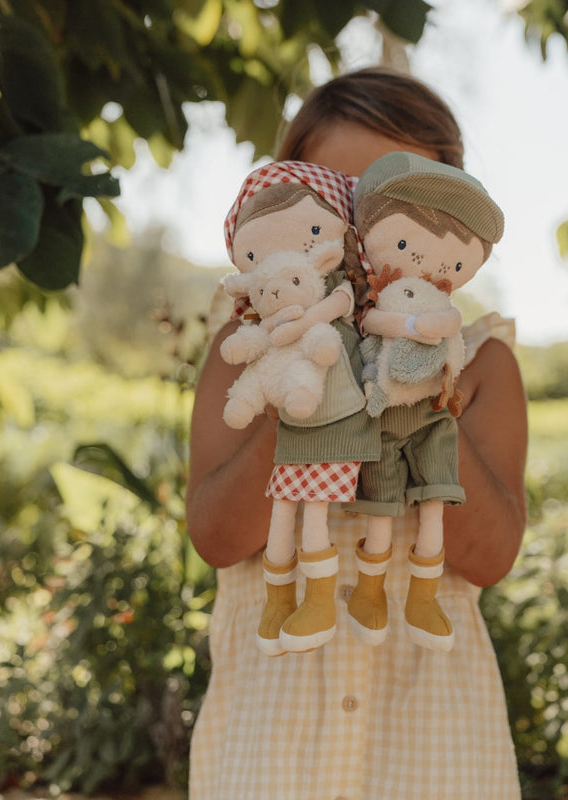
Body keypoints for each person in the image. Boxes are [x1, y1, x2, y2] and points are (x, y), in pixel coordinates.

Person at [186, 66, 528, 800]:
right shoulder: (239, 351)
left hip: (434, 739)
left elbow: (490, 555)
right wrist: (298, 381)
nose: (360, 235)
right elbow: (217, 536)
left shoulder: (483, 361)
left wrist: (420, 386)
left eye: (393, 204)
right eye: (334, 200)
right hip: (270, 735)